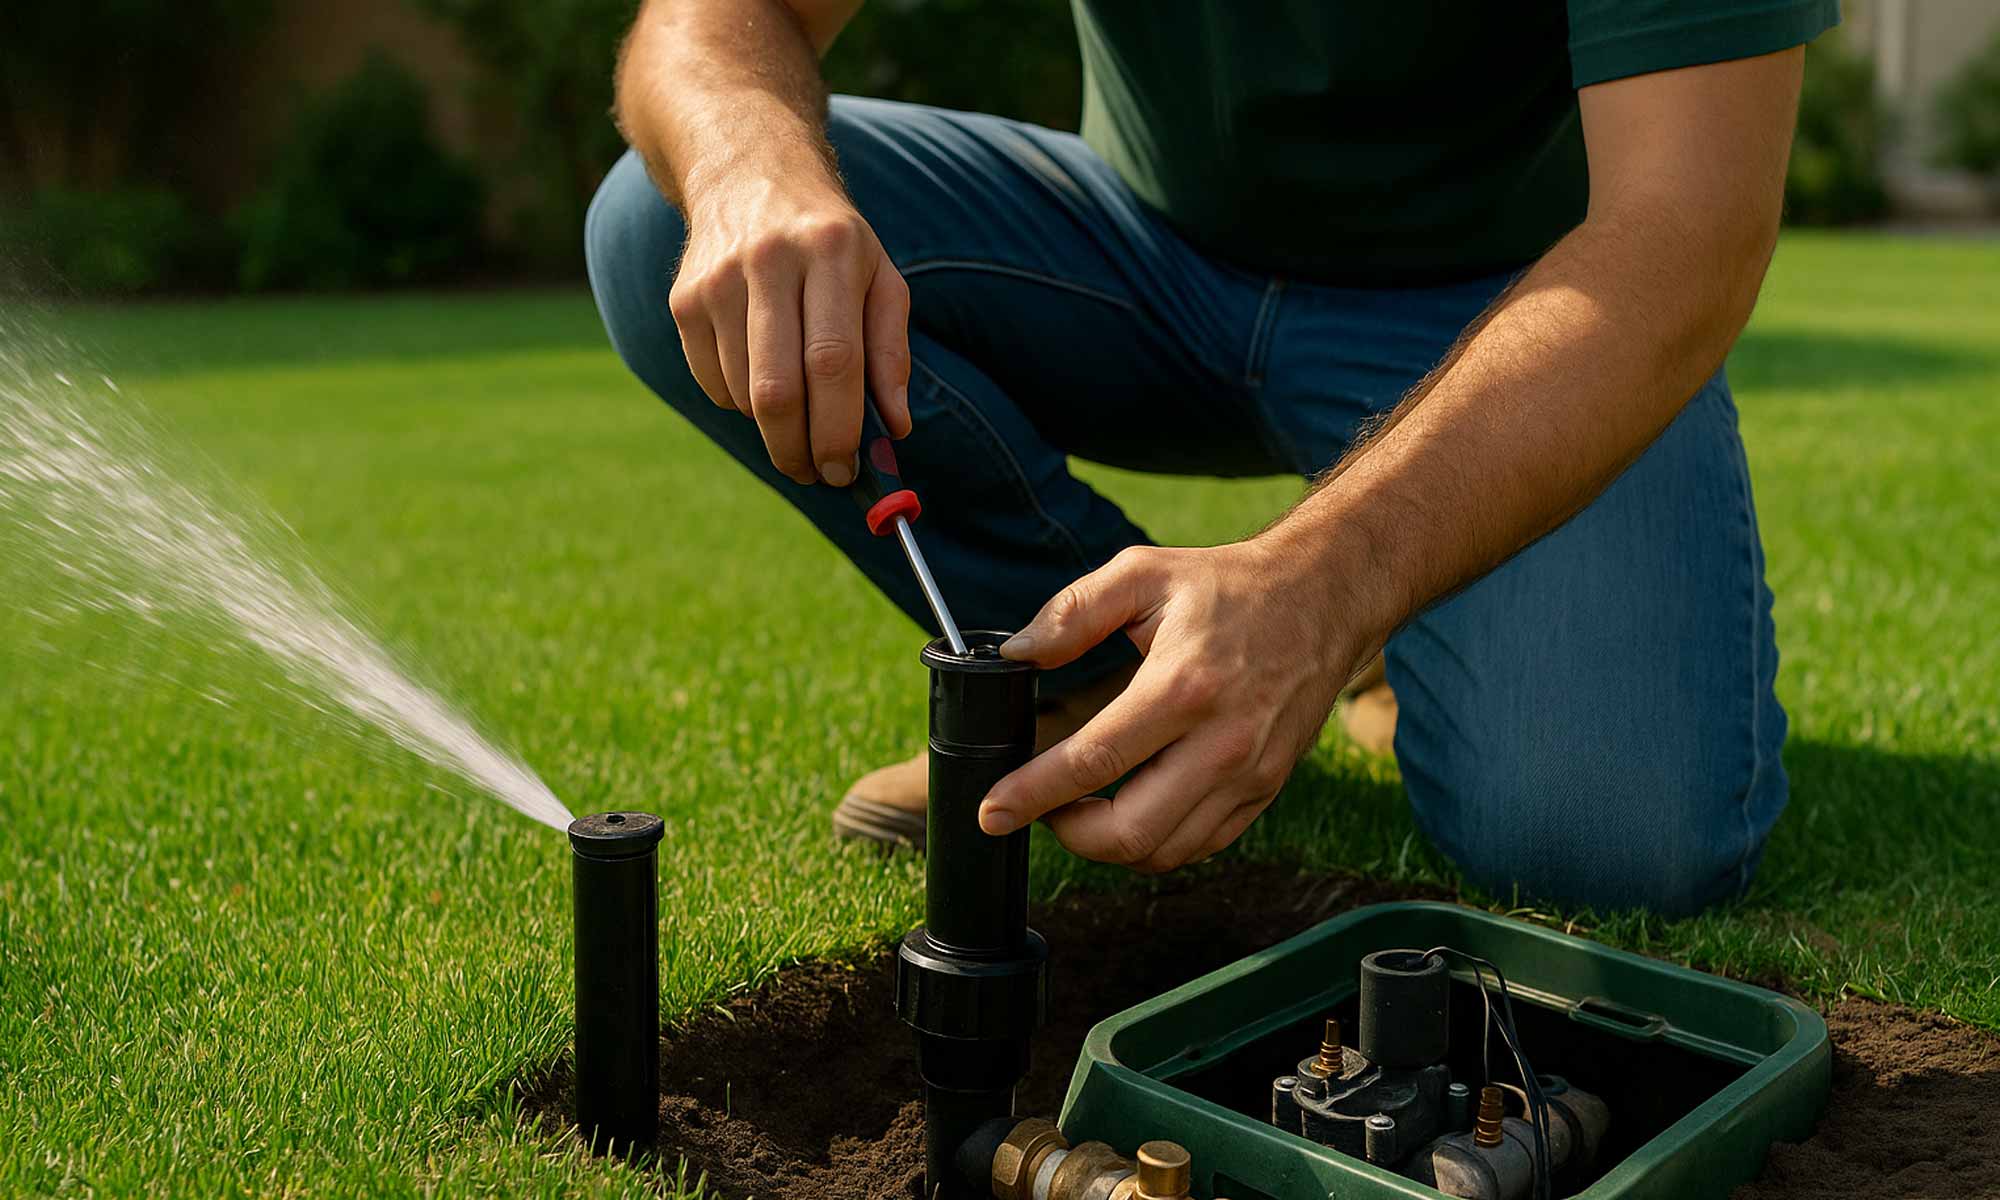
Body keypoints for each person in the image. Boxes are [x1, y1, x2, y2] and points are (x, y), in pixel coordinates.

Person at [586, 0, 1834, 917]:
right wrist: (752, 164)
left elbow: (1687, 227)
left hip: (1506, 310)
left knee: (1605, 837)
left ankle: (1400, 608)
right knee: (662, 221)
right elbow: (712, 26)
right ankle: (1092, 671)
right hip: (1138, 258)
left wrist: (1328, 582)